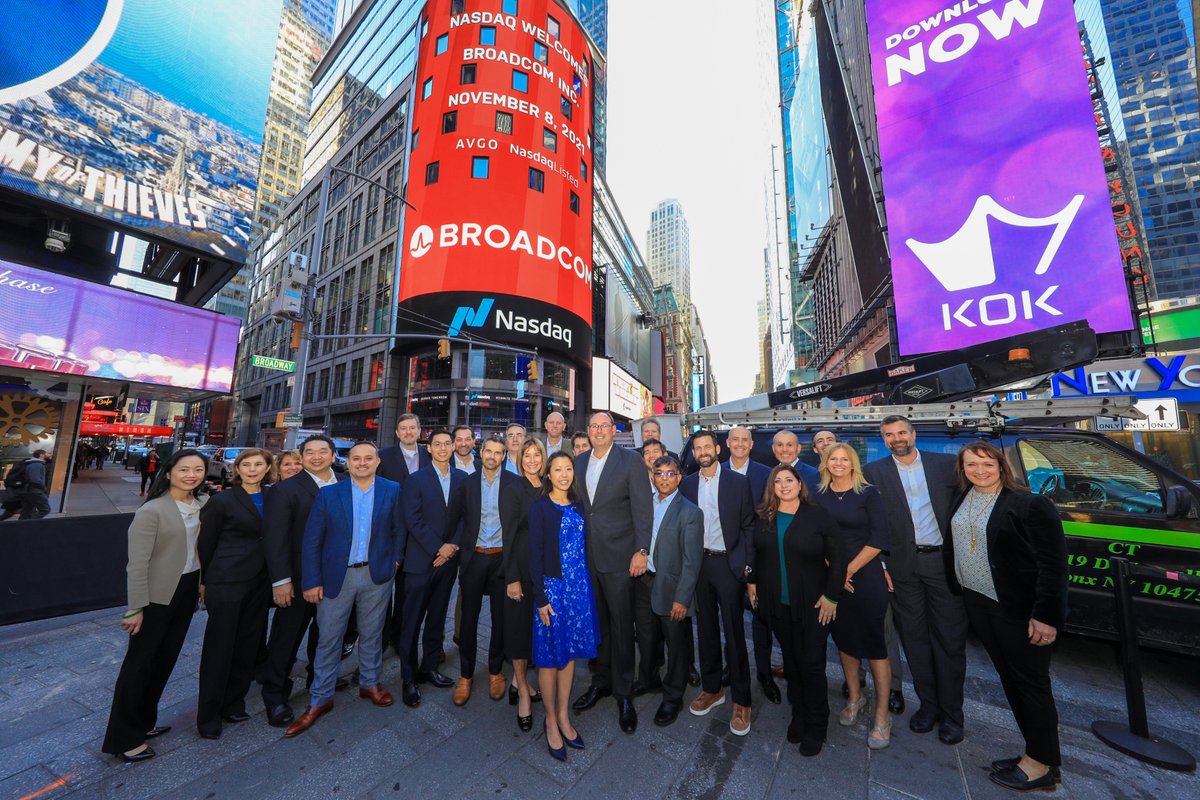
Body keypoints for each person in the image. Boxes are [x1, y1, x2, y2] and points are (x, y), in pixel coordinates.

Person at [946, 441, 1068, 792]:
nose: (979, 470)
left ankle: (1040, 765)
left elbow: (1053, 566)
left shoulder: (1030, 504)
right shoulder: (963, 497)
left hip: (1018, 609)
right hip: (980, 603)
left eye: (986, 464)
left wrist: (1045, 616)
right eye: (971, 465)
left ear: (1002, 465)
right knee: (1011, 680)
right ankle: (1038, 754)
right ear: (963, 468)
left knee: (1031, 685)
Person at [284, 441, 406, 736]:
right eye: (356, 459)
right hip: (337, 577)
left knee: (373, 633)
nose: (362, 463)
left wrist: (395, 562)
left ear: (378, 462)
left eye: (368, 458)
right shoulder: (329, 494)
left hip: (376, 575)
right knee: (329, 638)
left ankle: (370, 683)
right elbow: (312, 541)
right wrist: (312, 581)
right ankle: (320, 698)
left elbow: (398, 529)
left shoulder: (392, 489)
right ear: (346, 462)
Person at [863, 415, 966, 745]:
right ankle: (929, 707)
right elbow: (870, 524)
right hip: (901, 568)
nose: (897, 439)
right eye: (890, 435)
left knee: (948, 640)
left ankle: (953, 715)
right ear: (884, 439)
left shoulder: (947, 466)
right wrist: (880, 564)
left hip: (942, 563)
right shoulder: (873, 473)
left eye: (902, 432)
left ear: (914, 433)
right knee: (914, 640)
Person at [101, 449, 209, 762]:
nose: (191, 475)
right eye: (184, 469)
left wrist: (203, 582)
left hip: (187, 591)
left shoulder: (202, 504)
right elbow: (137, 564)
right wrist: (135, 608)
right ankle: (123, 738)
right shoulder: (153, 510)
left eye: (198, 469)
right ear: (169, 472)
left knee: (164, 661)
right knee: (139, 665)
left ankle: (144, 723)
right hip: (155, 597)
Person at [747, 464, 846, 757]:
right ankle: (799, 715)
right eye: (777, 481)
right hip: (777, 604)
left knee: (811, 663)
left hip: (814, 604)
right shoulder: (764, 516)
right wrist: (751, 582)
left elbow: (839, 558)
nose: (784, 485)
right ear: (771, 487)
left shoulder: (818, 515)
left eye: (789, 480)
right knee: (791, 661)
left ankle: (817, 725)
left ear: (800, 483)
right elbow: (758, 554)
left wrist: (832, 597)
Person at [571, 410, 653, 734]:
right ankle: (600, 682)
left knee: (621, 626)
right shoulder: (578, 462)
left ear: (614, 430)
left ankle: (623, 693)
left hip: (621, 558)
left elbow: (643, 508)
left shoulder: (630, 460)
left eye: (605, 426)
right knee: (596, 625)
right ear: (588, 432)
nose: (599, 430)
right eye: (594, 426)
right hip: (586, 557)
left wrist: (642, 551)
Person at [260, 435, 347, 728]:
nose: (317, 456)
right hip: (297, 579)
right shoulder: (286, 490)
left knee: (327, 634)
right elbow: (275, 539)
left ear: (334, 456)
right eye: (310, 452)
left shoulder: (346, 482)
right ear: (303, 456)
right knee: (287, 637)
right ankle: (274, 695)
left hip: (337, 577)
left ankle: (318, 681)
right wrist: (281, 580)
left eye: (324, 451)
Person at [814, 443, 893, 750]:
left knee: (875, 646)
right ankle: (856, 697)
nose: (838, 463)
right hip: (832, 576)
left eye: (844, 459)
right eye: (833, 459)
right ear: (825, 463)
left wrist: (846, 571)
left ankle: (882, 715)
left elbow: (879, 538)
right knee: (845, 642)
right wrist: (833, 571)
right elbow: (814, 536)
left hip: (865, 575)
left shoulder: (868, 493)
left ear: (853, 463)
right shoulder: (818, 494)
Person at [680, 430, 757, 735]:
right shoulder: (686, 484)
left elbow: (749, 525)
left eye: (706, 446)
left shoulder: (738, 482)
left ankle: (742, 700)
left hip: (729, 564)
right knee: (707, 630)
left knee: (735, 634)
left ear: (717, 449)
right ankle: (713, 689)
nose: (702, 451)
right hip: (700, 565)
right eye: (697, 448)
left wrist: (746, 567)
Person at [196, 449, 273, 739]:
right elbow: (207, 543)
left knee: (247, 646)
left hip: (260, 581)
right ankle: (209, 715)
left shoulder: (274, 497)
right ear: (237, 469)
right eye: (246, 465)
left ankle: (233, 703)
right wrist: (206, 581)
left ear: (267, 468)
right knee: (220, 649)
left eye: (258, 465)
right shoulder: (222, 500)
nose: (252, 470)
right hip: (227, 581)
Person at [530, 451, 599, 760]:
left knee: (569, 654)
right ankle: (549, 720)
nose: (563, 474)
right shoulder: (540, 508)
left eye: (568, 468)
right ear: (548, 474)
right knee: (548, 657)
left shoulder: (580, 505)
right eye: (557, 469)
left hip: (578, 591)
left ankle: (563, 714)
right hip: (552, 590)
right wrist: (541, 599)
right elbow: (534, 555)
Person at [399, 430, 467, 707]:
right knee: (411, 620)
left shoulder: (463, 479)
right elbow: (411, 519)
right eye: (436, 444)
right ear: (429, 448)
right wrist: (438, 547)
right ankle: (408, 677)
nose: (442, 448)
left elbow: (466, 517)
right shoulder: (415, 480)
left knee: (437, 617)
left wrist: (452, 546)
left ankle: (429, 667)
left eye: (446, 444)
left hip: (448, 562)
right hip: (420, 561)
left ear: (453, 448)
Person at [455, 435, 519, 705]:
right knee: (468, 620)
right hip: (474, 559)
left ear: (504, 455)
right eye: (488, 451)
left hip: (502, 560)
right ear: (481, 453)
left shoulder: (515, 484)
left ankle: (495, 672)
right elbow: (459, 520)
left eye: (498, 452)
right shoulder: (466, 484)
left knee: (500, 619)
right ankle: (466, 675)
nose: (492, 456)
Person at [641, 455, 703, 727]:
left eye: (670, 474)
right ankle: (648, 680)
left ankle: (673, 696)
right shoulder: (645, 505)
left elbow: (692, 561)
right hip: (645, 582)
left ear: (679, 478)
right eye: (659, 473)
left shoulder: (690, 512)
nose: (664, 478)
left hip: (672, 588)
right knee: (647, 638)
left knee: (676, 647)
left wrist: (682, 598)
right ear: (652, 477)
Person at [723, 427, 780, 697]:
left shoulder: (765, 473)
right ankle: (731, 667)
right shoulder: (716, 471)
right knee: (729, 617)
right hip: (725, 560)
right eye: (735, 439)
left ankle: (765, 674)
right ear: (727, 443)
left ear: (752, 444)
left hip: (759, 557)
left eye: (745, 440)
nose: (740, 444)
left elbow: (771, 512)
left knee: (762, 620)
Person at [500, 437, 548, 730]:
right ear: (520, 459)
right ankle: (522, 692)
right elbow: (508, 536)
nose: (532, 460)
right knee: (518, 632)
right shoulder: (513, 488)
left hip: (547, 572)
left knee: (541, 631)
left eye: (536, 455)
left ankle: (528, 683)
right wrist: (512, 577)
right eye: (526, 455)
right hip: (521, 568)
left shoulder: (551, 486)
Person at [378, 413, 430, 655]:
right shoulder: (384, 457)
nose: (408, 432)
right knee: (382, 592)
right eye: (403, 428)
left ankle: (400, 638)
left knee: (407, 592)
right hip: (389, 532)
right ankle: (380, 638)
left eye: (413, 428)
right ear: (397, 433)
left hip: (418, 536)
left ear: (419, 431)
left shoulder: (430, 456)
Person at [5, 449, 52, 520]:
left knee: (27, 512)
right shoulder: (37, 464)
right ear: (41, 455)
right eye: (48, 453)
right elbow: (35, 479)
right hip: (34, 491)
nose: (51, 455)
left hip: (27, 491)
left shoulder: (31, 463)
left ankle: (20, 528)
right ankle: (28, 525)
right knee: (45, 509)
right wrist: (43, 488)